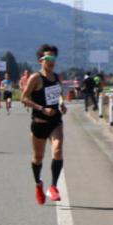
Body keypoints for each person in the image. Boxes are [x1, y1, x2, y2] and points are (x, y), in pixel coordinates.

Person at [21, 44, 67, 204]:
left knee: (58, 150)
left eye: (53, 58)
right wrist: (41, 108)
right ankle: (38, 184)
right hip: (39, 122)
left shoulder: (57, 77)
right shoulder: (36, 78)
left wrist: (61, 103)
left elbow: (58, 95)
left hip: (55, 121)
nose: (51, 61)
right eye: (47, 58)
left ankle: (53, 186)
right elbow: (24, 98)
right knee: (38, 157)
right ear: (41, 60)